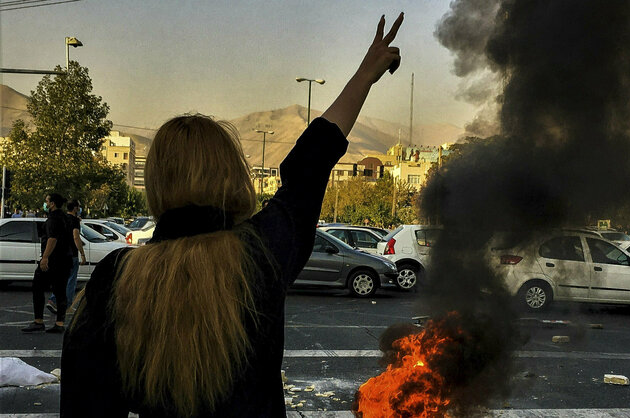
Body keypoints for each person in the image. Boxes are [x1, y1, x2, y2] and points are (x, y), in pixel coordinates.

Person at [61, 13, 403, 417]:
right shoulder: (261, 253)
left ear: (156, 182)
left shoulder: (115, 279)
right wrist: (365, 73)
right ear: (231, 174)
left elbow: (85, 405)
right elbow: (311, 163)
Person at [21, 193, 73, 333]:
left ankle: (38, 321)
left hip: (53, 261)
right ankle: (60, 323)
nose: (45, 204)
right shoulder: (65, 217)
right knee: (60, 291)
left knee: (37, 287)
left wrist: (45, 258)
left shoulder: (53, 219)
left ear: (52, 204)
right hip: (65, 260)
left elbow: (52, 239)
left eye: (47, 201)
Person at [47, 199, 86, 315]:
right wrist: (82, 253)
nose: (79, 208)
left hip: (61, 253)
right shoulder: (74, 221)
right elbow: (76, 236)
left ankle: (53, 300)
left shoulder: (63, 218)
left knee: (61, 279)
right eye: (78, 206)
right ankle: (66, 305)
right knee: (71, 281)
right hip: (71, 254)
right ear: (75, 208)